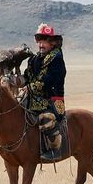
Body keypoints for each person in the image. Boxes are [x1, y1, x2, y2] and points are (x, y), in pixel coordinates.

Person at [22, 23, 66, 161]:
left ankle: (55, 150)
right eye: (39, 41)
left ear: (52, 43)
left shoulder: (57, 59)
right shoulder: (34, 59)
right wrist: (16, 81)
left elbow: (47, 80)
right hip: (32, 99)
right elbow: (27, 77)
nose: (41, 45)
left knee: (46, 118)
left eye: (44, 42)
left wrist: (29, 88)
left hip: (52, 100)